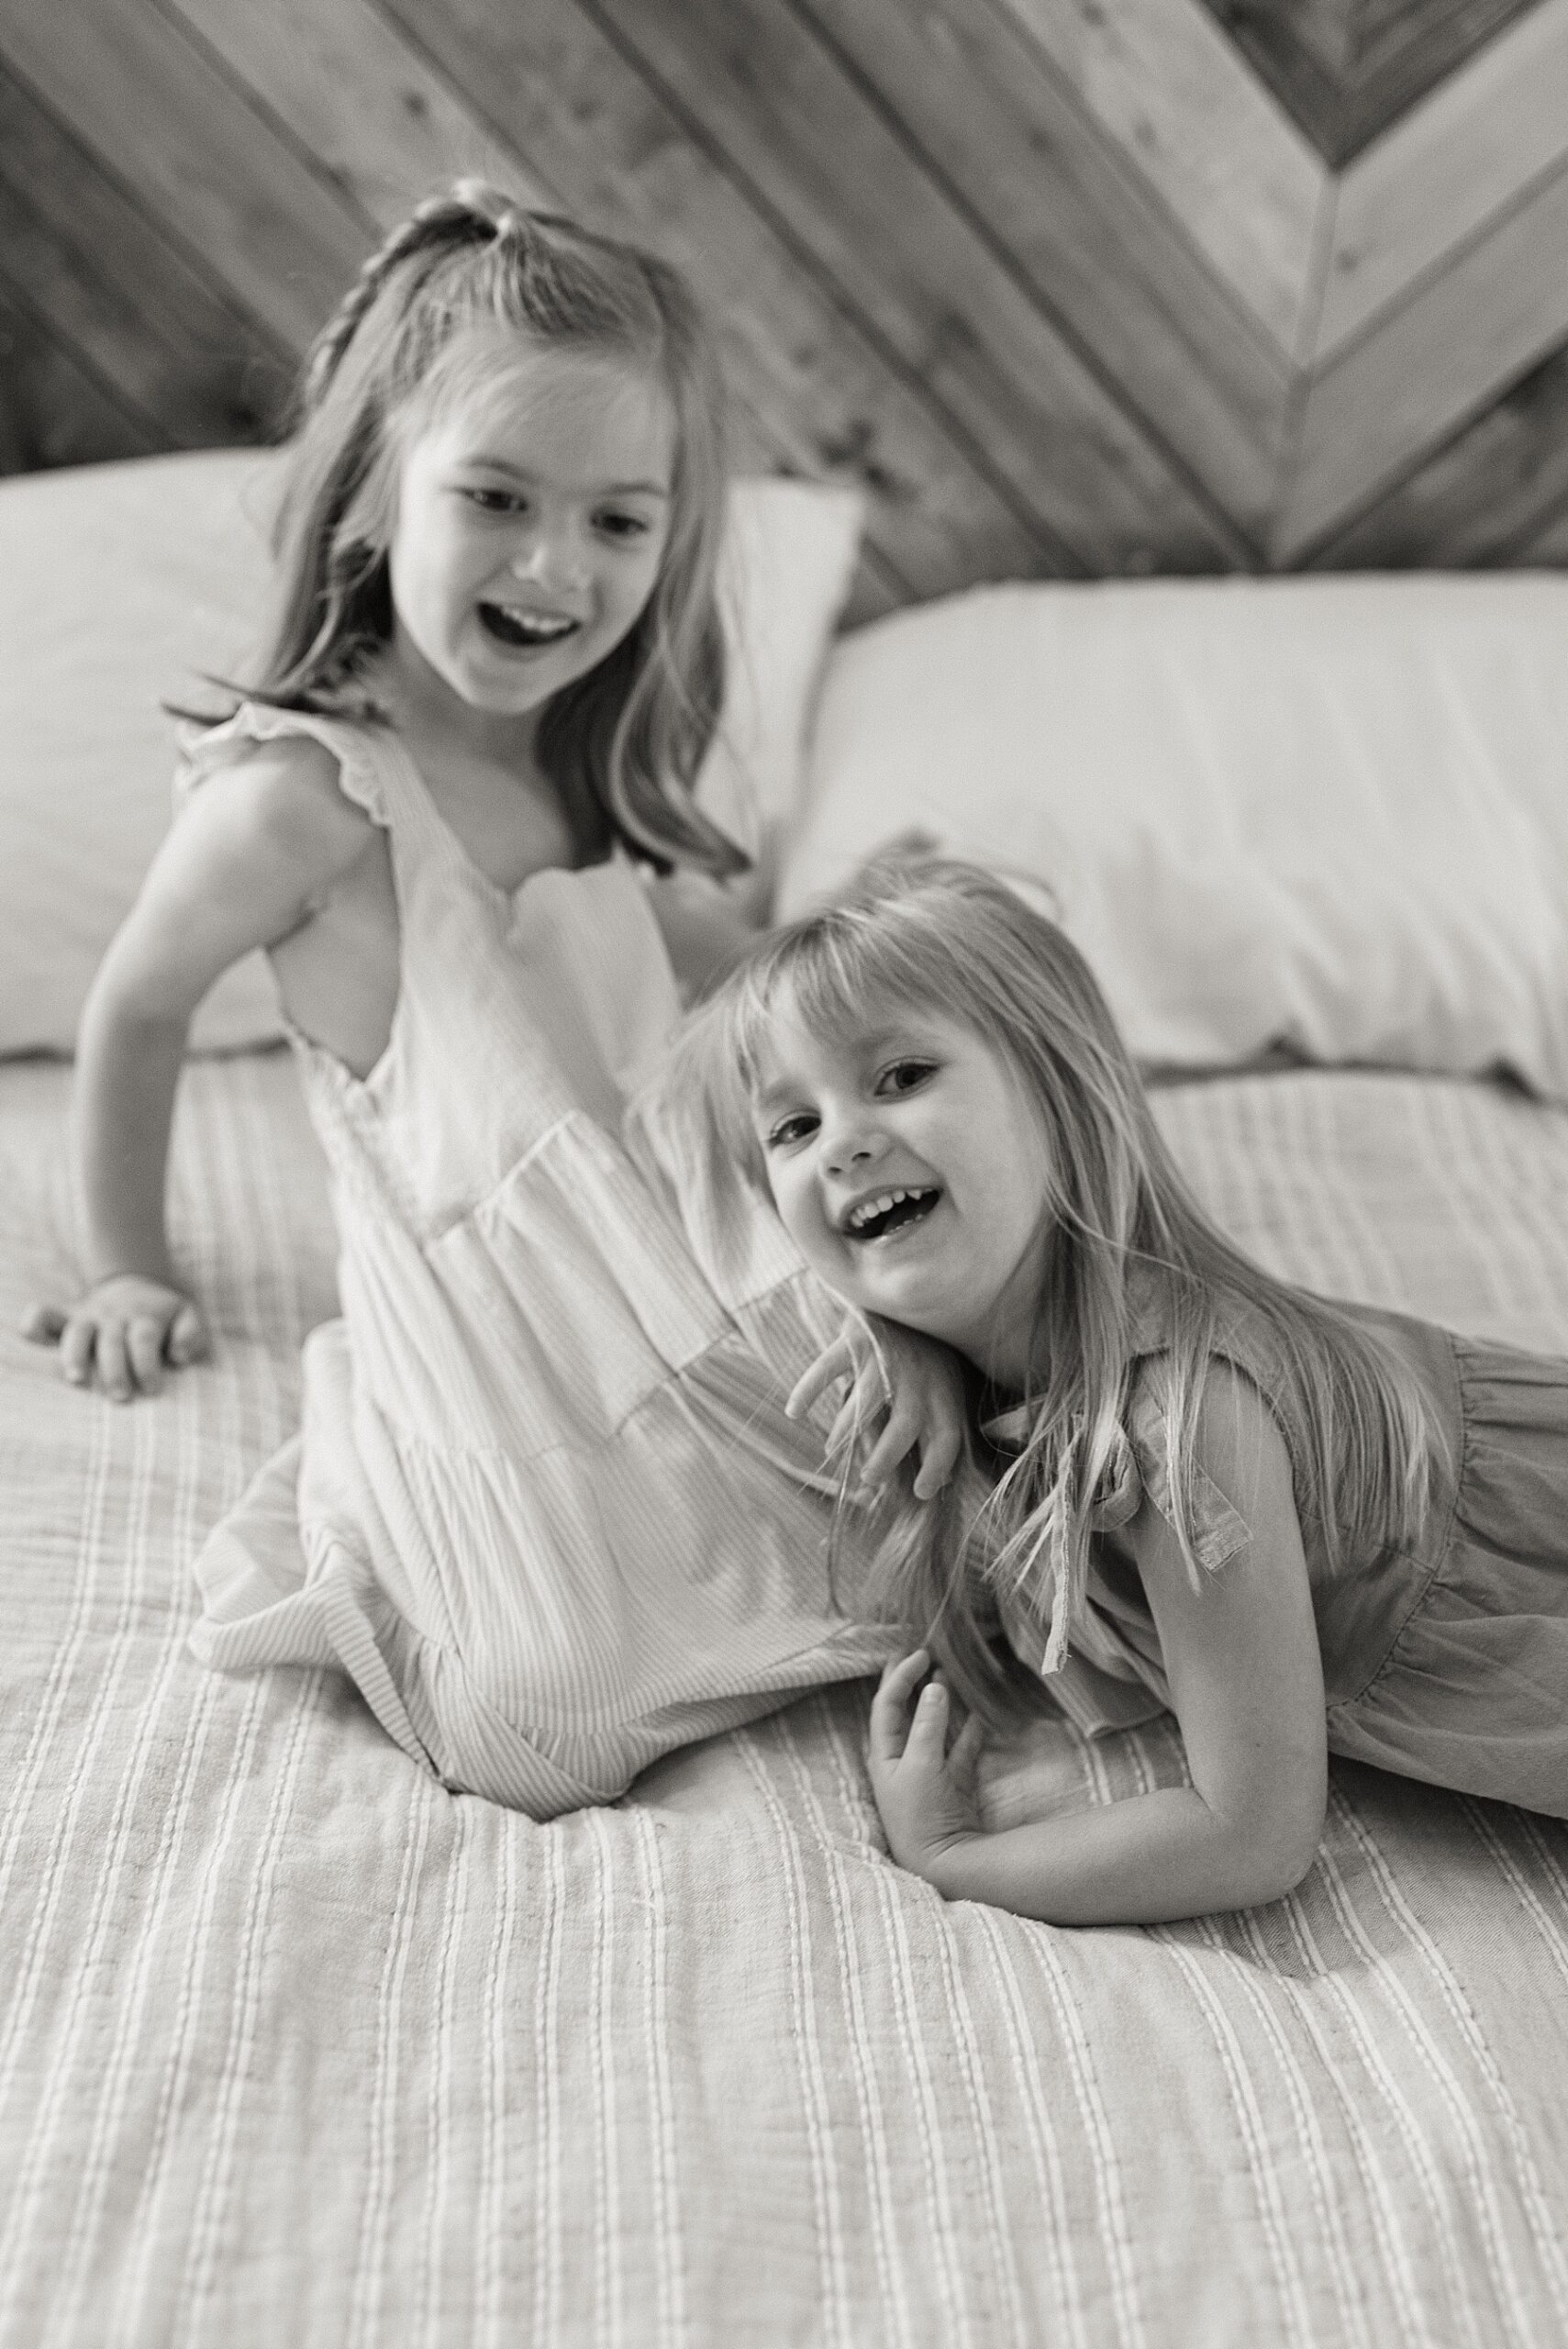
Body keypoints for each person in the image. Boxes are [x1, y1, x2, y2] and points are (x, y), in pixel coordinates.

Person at [23, 184, 960, 1819]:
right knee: (549, 1700)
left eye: (616, 522)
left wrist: (849, 933)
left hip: (660, 1256)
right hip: (491, 1321)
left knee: (970, 1446)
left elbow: (691, 955)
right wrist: (125, 1264)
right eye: (495, 498)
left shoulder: (577, 773)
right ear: (377, 493)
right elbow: (139, 1006)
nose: (552, 564)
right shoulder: (307, 799)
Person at [685, 853, 1568, 1923]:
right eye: (793, 1127)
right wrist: (883, 1326)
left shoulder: (1176, 1430)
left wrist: (950, 1855)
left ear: (1058, 1091)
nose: (841, 1145)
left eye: (901, 1076)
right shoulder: (996, 1388)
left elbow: (1248, 1833)